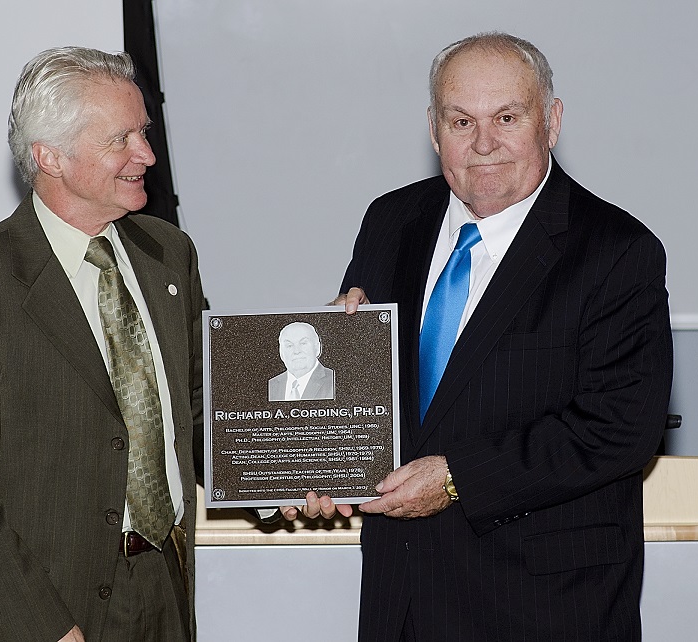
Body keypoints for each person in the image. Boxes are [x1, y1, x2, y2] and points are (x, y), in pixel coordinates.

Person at [286, 32, 673, 640]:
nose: (484, 143)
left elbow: (620, 428)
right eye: (461, 120)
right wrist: (305, 461)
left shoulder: (617, 252)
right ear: (434, 130)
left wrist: (459, 476)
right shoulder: (391, 221)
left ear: (552, 121)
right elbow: (362, 403)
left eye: (508, 118)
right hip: (402, 603)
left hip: (545, 609)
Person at [0, 47, 204, 642]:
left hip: (166, 591)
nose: (146, 154)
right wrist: (41, 628)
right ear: (50, 157)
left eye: (143, 132)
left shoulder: (170, 254)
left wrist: (284, 476)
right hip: (42, 608)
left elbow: (194, 408)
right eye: (120, 139)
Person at [267, 321, 335, 401]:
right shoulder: (271, 386)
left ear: (317, 348)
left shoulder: (334, 381)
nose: (296, 351)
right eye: (289, 345)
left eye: (303, 343)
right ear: (281, 353)